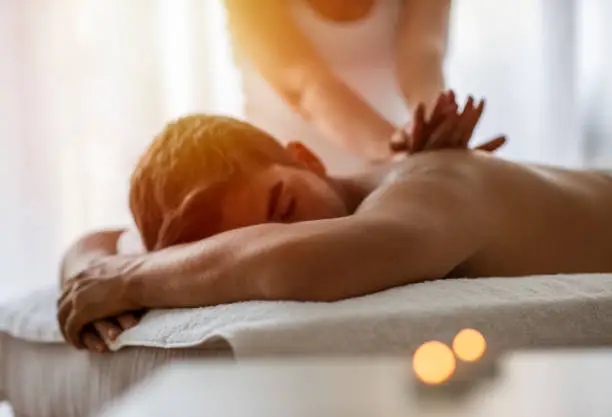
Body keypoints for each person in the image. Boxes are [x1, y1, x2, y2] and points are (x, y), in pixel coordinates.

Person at [58, 92, 612, 352]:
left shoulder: (432, 187)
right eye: (237, 246)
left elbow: (321, 258)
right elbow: (98, 242)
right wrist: (96, 272)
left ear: (307, 158)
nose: (284, 239)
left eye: (284, 212)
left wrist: (131, 280)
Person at [226, 0, 451, 174]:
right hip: (291, 187)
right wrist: (398, 147)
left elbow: (423, 53)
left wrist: (436, 126)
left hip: (393, 172)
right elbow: (306, 86)